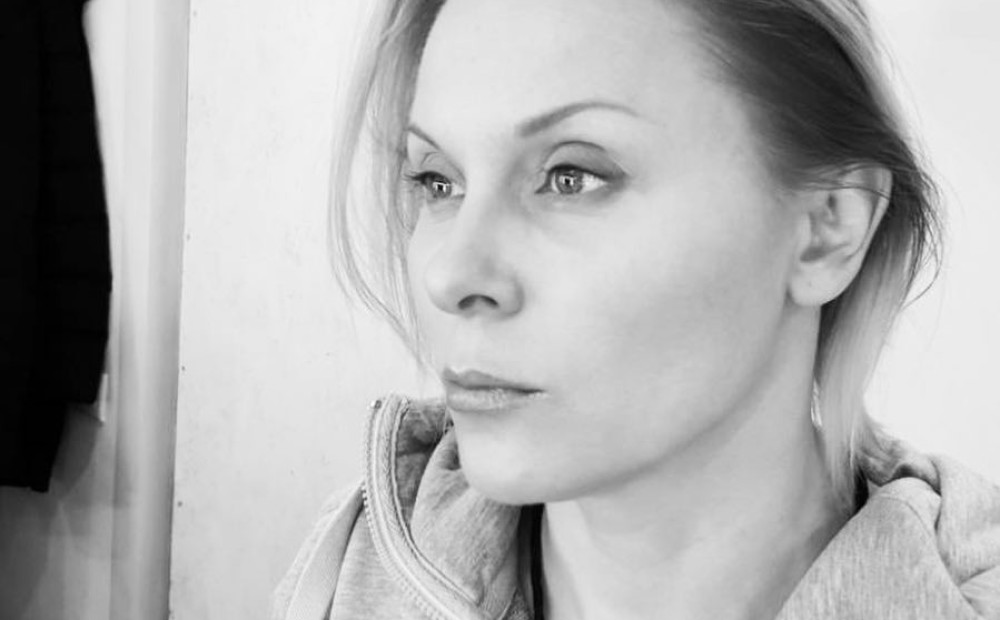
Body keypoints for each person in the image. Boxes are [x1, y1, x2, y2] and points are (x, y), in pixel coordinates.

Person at [272, 0, 1000, 618]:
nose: (451, 274)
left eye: (571, 176)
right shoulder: (348, 570)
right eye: (438, 182)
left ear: (826, 229)